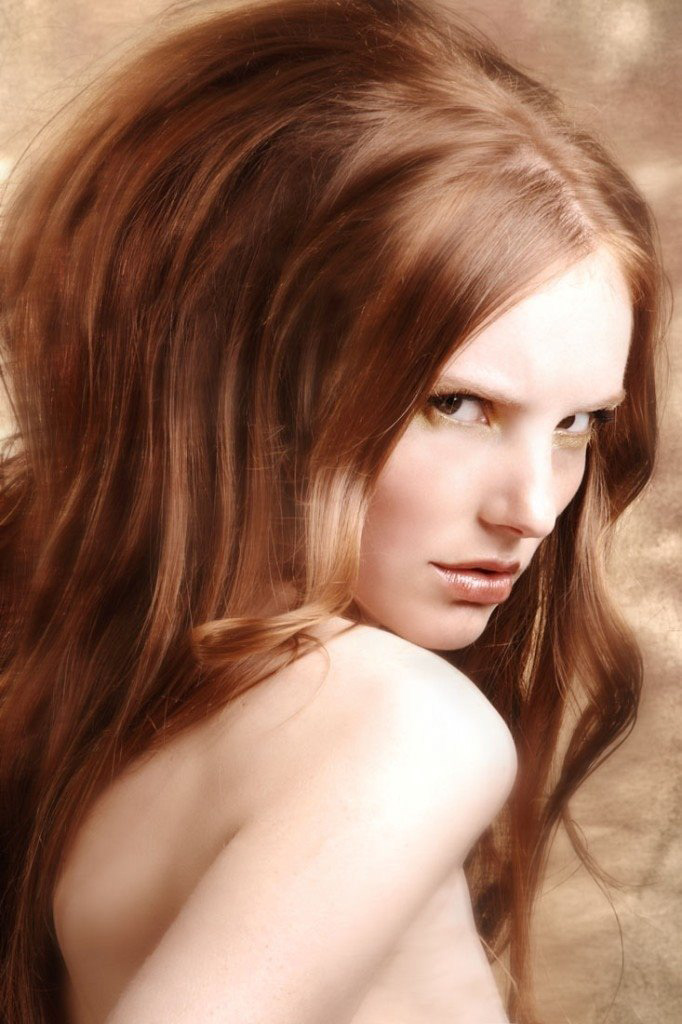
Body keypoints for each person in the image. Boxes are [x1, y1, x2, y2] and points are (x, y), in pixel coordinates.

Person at [0, 0, 668, 1022]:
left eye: (578, 424)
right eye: (457, 405)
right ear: (249, 375)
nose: (534, 509)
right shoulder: (396, 724)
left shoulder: (125, 719)